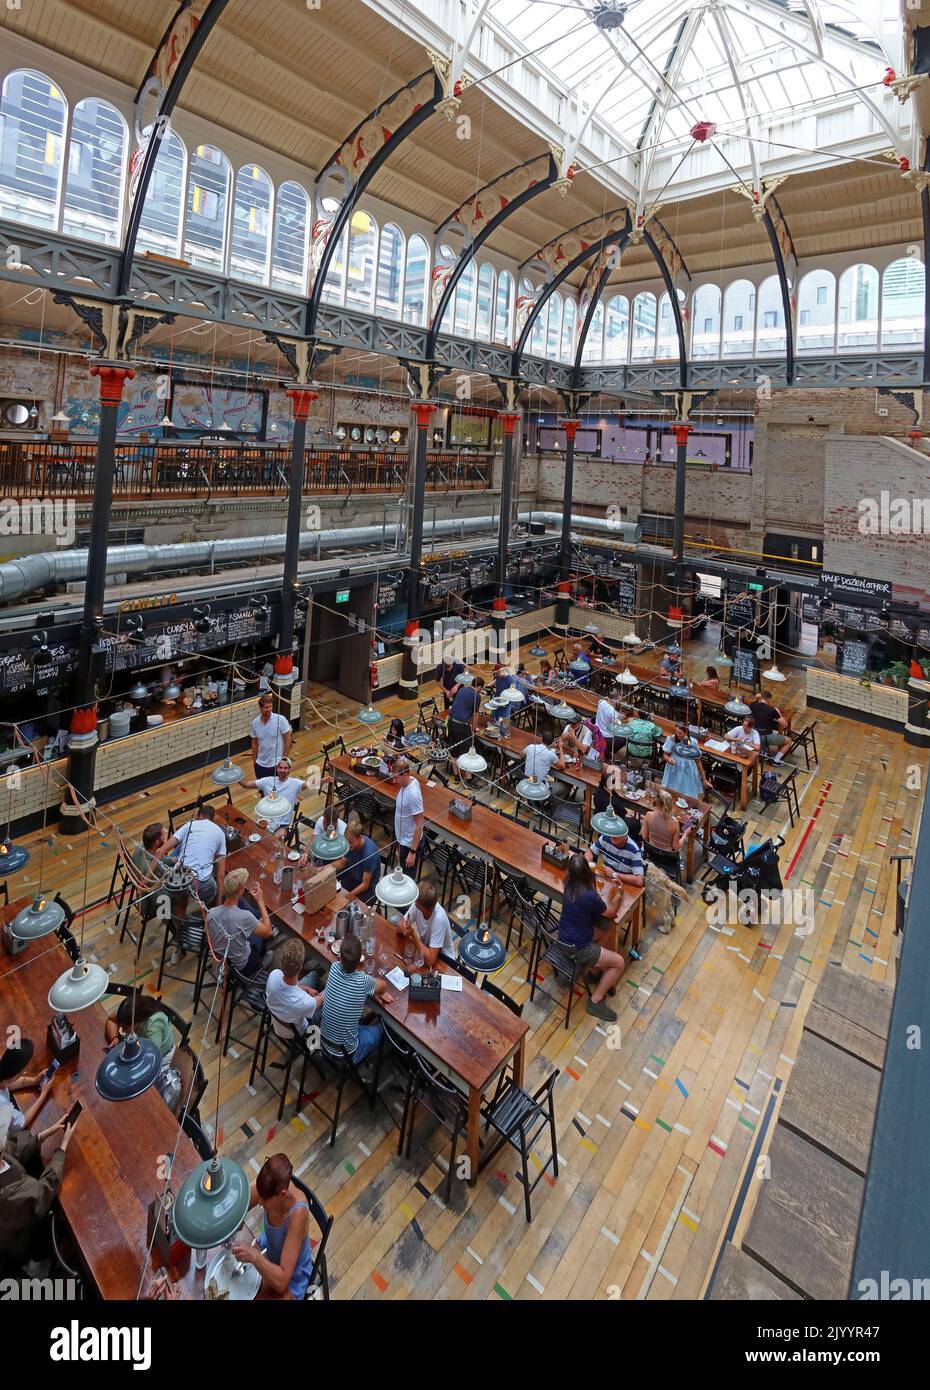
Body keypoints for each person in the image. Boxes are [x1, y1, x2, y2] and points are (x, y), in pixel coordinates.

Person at [0, 1101, 79, 1272]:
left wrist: (45, 1134)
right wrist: (63, 1145)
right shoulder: (10, 1193)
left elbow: (13, 1151)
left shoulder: (2, 1154)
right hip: (21, 1237)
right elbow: (43, 1189)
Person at [557, 854, 627, 1023]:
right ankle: (595, 1001)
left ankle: (594, 970)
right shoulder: (588, 896)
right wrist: (619, 893)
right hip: (576, 947)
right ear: (586, 873)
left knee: (604, 932)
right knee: (619, 963)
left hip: (563, 936)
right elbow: (611, 912)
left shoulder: (568, 883)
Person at [233, 1153, 313, 1300]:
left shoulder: (298, 1214)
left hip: (291, 1279)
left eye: (264, 1200)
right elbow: (239, 1207)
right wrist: (234, 1219)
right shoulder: (268, 1188)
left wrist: (254, 1256)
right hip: (269, 1252)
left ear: (283, 1194)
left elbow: (282, 1282)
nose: (260, 1202)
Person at [320, 932, 394, 1065]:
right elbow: (383, 986)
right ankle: (370, 1067)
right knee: (388, 1031)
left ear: (340, 958)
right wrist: (374, 990)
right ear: (360, 959)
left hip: (324, 1042)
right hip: (346, 1054)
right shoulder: (363, 981)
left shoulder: (334, 968)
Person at [206, 867, 272, 977]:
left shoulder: (211, 913)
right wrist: (260, 900)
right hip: (243, 966)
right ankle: (260, 961)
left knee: (246, 910)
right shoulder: (244, 917)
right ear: (240, 890)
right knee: (262, 930)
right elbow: (268, 931)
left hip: (224, 958)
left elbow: (208, 934)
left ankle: (256, 919)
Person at [158, 803, 226, 906]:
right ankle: (207, 913)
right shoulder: (220, 832)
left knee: (182, 897)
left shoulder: (189, 824)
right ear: (212, 819)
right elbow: (221, 875)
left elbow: (160, 851)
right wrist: (219, 904)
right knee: (212, 887)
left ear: (199, 816)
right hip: (199, 883)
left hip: (178, 876)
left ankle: (179, 916)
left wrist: (144, 882)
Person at [266, 939, 323, 1039]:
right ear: (301, 967)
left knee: (313, 975)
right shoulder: (303, 1002)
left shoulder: (274, 974)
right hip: (298, 1032)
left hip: (278, 1021)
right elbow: (322, 999)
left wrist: (307, 989)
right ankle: (315, 1047)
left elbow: (292, 986)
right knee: (330, 1003)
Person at [0, 1041, 56, 1136]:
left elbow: (8, 1084)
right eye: (23, 1070)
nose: (25, 1072)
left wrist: (34, 1081)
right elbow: (21, 1123)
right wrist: (43, 1095)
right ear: (16, 1073)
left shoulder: (3, 1074)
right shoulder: (3, 1106)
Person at [104, 991, 176, 1064]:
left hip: (162, 1055)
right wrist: (114, 1038)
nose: (122, 1030)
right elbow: (111, 1021)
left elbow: (152, 1056)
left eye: (125, 1027)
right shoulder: (127, 1010)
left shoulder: (153, 1025)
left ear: (136, 1022)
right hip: (139, 1045)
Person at [242, 757, 305, 835]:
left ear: (289, 769)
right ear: (276, 768)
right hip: (267, 820)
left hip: (283, 825)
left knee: (275, 839)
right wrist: (235, 774)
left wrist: (324, 780)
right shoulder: (267, 781)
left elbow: (310, 784)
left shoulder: (295, 783)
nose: (282, 770)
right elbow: (246, 784)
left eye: (285, 768)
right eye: (280, 767)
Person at [403, 880, 454, 968]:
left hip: (444, 961)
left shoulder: (439, 919)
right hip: (425, 950)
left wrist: (413, 935)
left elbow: (430, 960)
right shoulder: (418, 905)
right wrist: (404, 927)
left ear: (423, 909)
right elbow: (400, 925)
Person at [586, 818, 645, 889]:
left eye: (618, 833)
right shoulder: (605, 837)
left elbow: (639, 881)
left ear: (626, 835)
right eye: (615, 831)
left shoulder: (634, 850)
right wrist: (587, 864)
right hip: (606, 879)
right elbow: (590, 851)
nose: (613, 835)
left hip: (624, 885)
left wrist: (615, 874)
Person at [447, 675, 484, 783]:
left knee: (454, 749)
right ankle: (469, 779)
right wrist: (473, 728)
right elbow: (475, 715)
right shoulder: (477, 696)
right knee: (469, 752)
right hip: (461, 726)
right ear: (480, 687)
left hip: (451, 722)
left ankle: (456, 776)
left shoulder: (462, 689)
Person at [335, 817, 380, 901]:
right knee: (335, 892)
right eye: (346, 842)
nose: (348, 845)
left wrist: (349, 895)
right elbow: (342, 863)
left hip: (369, 887)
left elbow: (365, 884)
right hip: (354, 876)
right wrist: (324, 868)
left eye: (351, 842)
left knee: (353, 908)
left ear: (359, 838)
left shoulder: (369, 855)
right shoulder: (350, 845)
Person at [662, 722, 709, 799]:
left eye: (680, 733)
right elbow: (665, 755)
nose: (678, 735)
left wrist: (704, 779)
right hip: (674, 769)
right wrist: (669, 759)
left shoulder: (692, 742)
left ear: (686, 733)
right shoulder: (671, 739)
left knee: (687, 793)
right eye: (676, 732)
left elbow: (698, 762)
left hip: (688, 770)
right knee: (672, 792)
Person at [642, 788, 691, 862]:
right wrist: (685, 835)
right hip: (666, 859)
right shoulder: (675, 823)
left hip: (651, 854)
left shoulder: (649, 815)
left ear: (657, 802)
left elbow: (644, 835)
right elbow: (676, 847)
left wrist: (646, 824)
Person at [393, 757, 424, 873]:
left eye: (396, 777)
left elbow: (420, 823)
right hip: (402, 840)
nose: (394, 781)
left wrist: (412, 852)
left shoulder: (413, 796)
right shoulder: (411, 780)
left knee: (407, 877)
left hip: (409, 845)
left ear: (405, 774)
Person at [250, 694, 292, 779]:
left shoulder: (280, 719)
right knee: (262, 791)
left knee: (277, 790)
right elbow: (254, 743)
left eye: (270, 707)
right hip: (261, 764)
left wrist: (284, 759)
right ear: (260, 708)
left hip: (276, 764)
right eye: (266, 707)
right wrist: (255, 762)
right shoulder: (255, 723)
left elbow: (288, 738)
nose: (269, 709)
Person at [749, 691, 791, 763]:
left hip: (753, 734)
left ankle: (763, 750)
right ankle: (776, 760)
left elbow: (756, 702)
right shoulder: (772, 710)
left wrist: (757, 697)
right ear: (769, 699)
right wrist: (779, 713)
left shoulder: (752, 705)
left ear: (760, 697)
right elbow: (785, 725)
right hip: (765, 736)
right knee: (788, 741)